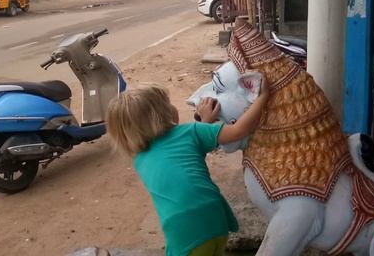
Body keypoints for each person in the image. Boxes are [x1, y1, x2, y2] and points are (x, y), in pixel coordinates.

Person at [105, 80, 269, 256]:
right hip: (216, 221)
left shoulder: (139, 159)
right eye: (167, 104)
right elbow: (237, 131)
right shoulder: (191, 132)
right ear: (162, 115)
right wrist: (263, 97)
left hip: (183, 233)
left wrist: (205, 123)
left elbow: (182, 156)